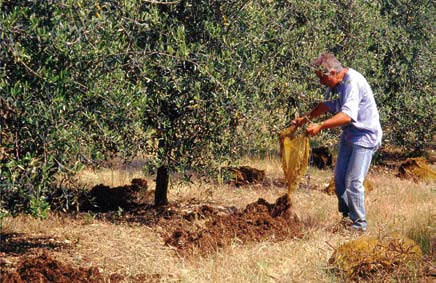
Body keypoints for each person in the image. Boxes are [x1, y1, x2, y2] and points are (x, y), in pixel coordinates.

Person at [292, 53, 382, 232]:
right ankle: (347, 218)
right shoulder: (335, 84)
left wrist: (320, 126)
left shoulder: (352, 83)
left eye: (322, 78)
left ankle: (359, 226)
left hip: (365, 136)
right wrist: (305, 119)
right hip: (350, 135)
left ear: (332, 73)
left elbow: (347, 116)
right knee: (340, 179)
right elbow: (325, 105)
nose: (321, 83)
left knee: (353, 181)